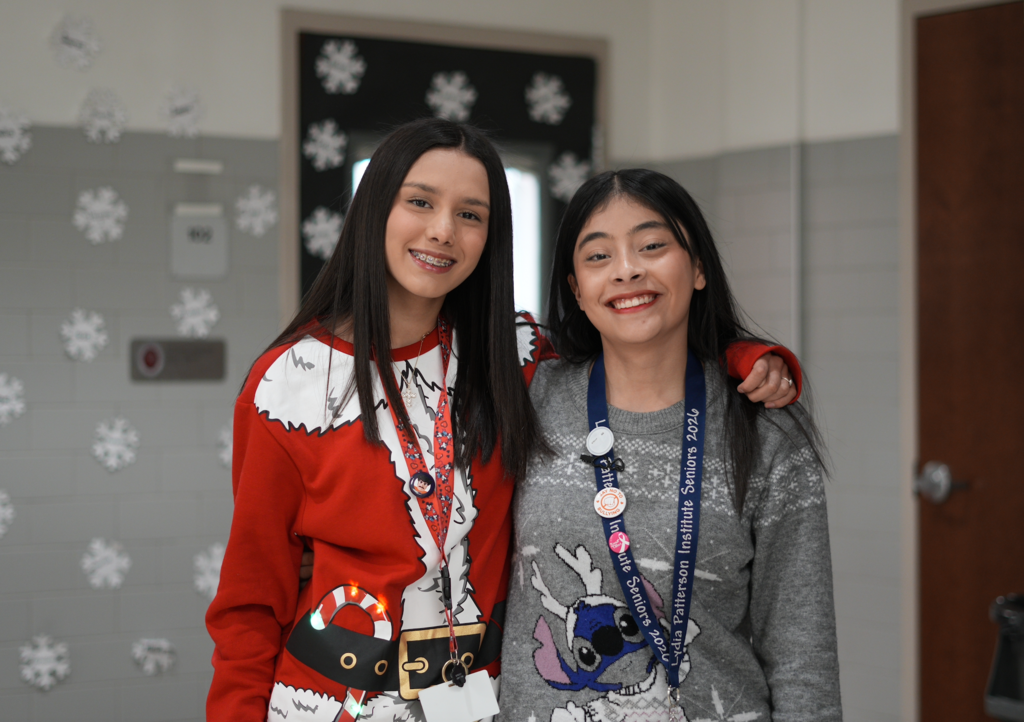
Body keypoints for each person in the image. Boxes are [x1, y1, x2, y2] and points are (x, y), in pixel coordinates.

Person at [205, 118, 801, 722]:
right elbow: (250, 606)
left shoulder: (515, 355)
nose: (443, 231)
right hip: (330, 700)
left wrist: (745, 358)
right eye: (420, 202)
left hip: (480, 701)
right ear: (374, 211)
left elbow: (635, 339)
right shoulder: (287, 385)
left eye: (471, 214)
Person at [497, 169, 840, 721]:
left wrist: (746, 358)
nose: (628, 269)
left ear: (698, 267)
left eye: (652, 246)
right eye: (598, 257)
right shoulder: (530, 397)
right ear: (575, 290)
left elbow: (803, 654)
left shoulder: (766, 429)